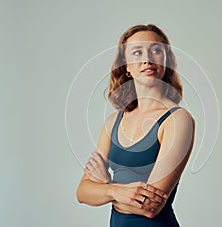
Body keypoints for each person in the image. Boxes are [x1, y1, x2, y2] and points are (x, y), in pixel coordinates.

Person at [76, 24, 195, 227]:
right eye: (137, 52)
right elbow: (83, 192)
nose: (147, 59)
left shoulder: (177, 119)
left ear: (166, 61)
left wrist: (105, 186)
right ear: (126, 66)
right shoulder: (113, 121)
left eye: (156, 50)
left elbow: (149, 207)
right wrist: (115, 191)